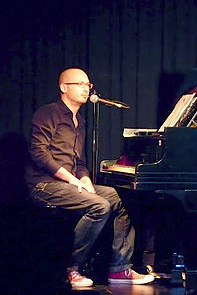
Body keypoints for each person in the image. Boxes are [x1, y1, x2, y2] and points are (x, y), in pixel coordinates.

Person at [25, 67, 154, 288]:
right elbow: (39, 153)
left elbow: (80, 161)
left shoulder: (80, 121)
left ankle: (120, 269)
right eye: (81, 84)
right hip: (44, 184)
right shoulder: (48, 113)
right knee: (99, 205)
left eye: (88, 84)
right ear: (64, 87)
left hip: (70, 183)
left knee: (121, 198)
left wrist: (83, 178)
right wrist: (72, 180)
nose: (87, 88)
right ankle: (69, 268)